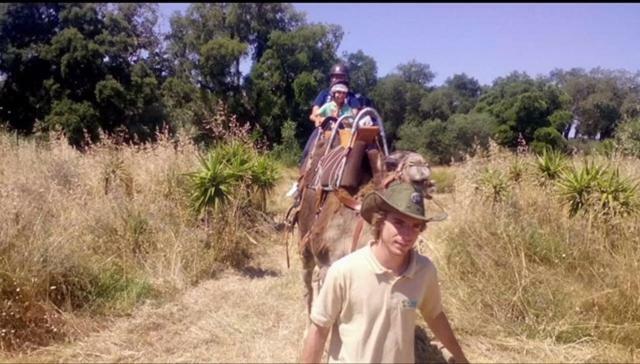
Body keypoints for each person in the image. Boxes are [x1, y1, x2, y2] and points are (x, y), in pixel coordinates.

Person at [301, 182, 468, 364]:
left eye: (416, 226)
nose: (407, 234)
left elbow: (435, 316)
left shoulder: (424, 271)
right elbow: (319, 330)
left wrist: (461, 359)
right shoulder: (345, 271)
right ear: (380, 221)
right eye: (399, 222)